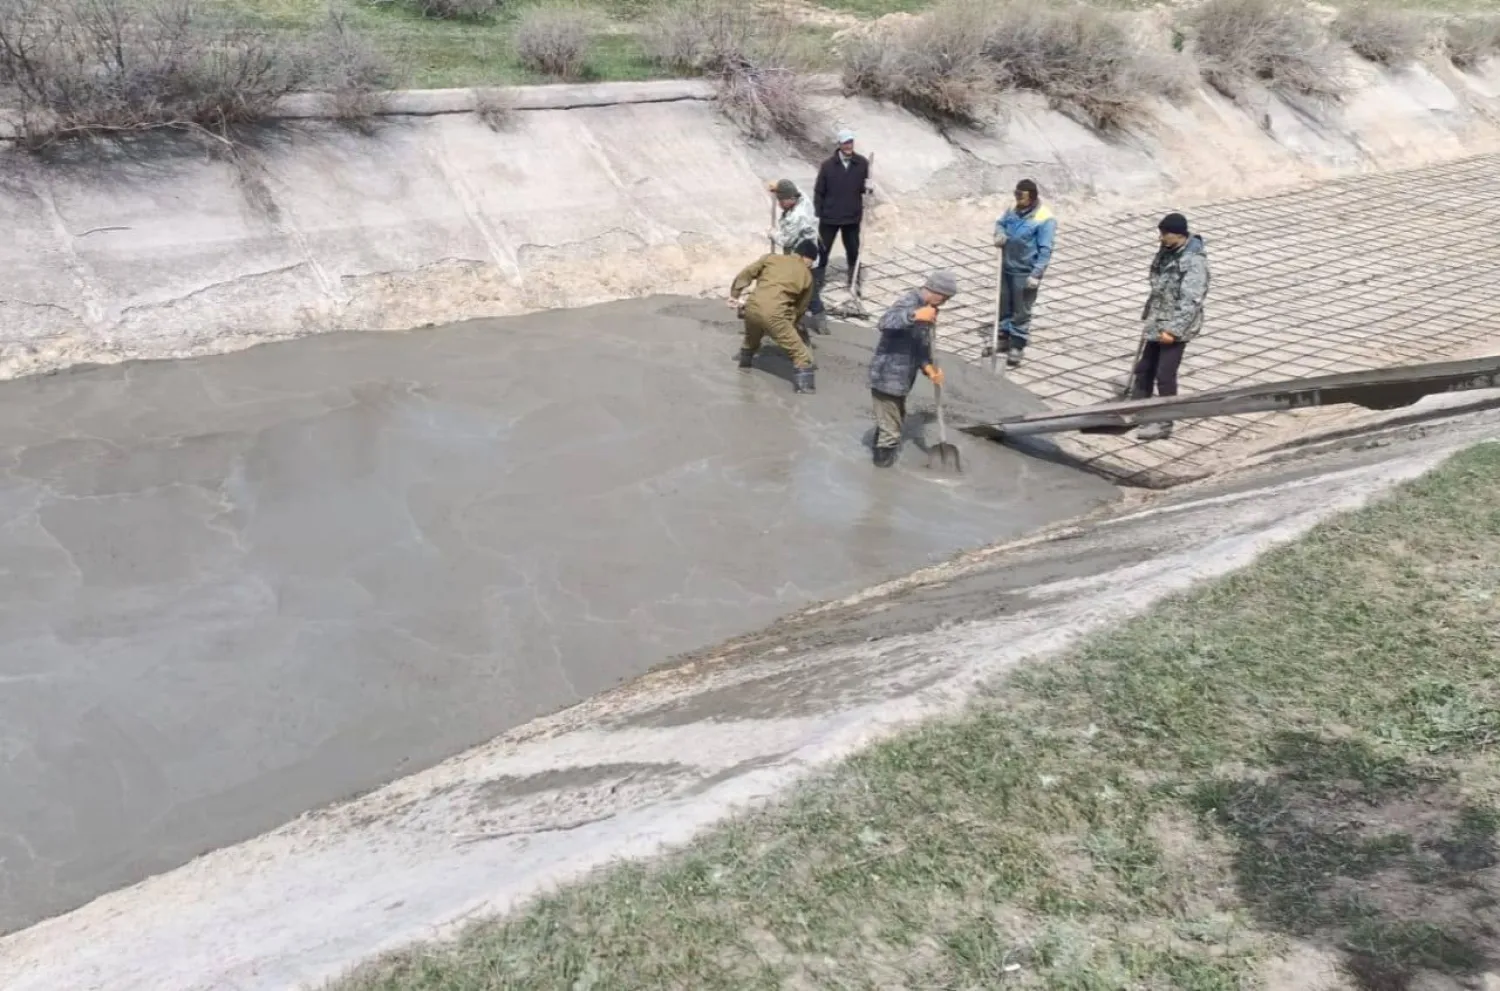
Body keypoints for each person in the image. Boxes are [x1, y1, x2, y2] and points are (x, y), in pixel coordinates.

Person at [868, 271, 959, 467]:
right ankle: (882, 471)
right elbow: (884, 322)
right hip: (887, 374)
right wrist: (913, 316)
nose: (945, 303)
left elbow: (920, 345)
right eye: (945, 298)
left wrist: (928, 368)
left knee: (893, 419)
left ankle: (880, 448)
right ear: (936, 291)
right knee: (891, 429)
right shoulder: (909, 302)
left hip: (903, 378)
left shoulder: (929, 309)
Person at [1132, 212, 1210, 441]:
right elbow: (1157, 282)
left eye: (1165, 234)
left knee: (1165, 374)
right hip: (1158, 319)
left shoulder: (1194, 262)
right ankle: (1139, 410)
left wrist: (1173, 330)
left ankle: (1164, 422)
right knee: (1144, 368)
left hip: (1176, 327)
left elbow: (1191, 300)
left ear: (1179, 234)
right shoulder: (1167, 253)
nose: (1161, 238)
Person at [729, 239, 821, 394]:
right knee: (801, 355)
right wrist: (791, 324)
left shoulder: (770, 258)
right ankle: (805, 389)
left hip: (751, 308)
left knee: (751, 340)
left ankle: (744, 365)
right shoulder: (807, 275)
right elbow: (800, 307)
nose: (811, 266)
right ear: (807, 258)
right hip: (774, 314)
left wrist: (734, 294)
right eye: (811, 262)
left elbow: (746, 274)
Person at [989, 178, 1057, 368]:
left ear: (1032, 197)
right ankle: (1003, 335)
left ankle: (1017, 344)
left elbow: (1045, 249)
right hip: (1007, 266)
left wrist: (1036, 274)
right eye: (1016, 195)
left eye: (1022, 196)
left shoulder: (1045, 219)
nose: (1018, 200)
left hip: (1025, 271)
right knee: (1004, 304)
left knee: (1022, 309)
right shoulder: (1013, 208)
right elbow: (1001, 223)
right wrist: (999, 233)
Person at [813, 129, 871, 293]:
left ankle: (854, 282)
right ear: (839, 144)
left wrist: (868, 188)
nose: (848, 146)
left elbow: (863, 188)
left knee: (853, 249)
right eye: (845, 142)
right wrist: (819, 212)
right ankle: (817, 281)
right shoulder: (828, 166)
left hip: (851, 216)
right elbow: (819, 191)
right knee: (822, 250)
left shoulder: (862, 163)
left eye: (850, 142)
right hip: (830, 216)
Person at [767, 178, 826, 334]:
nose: (779, 204)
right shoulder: (801, 197)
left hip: (804, 254)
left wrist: (773, 234)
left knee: (807, 289)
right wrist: (778, 186)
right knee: (800, 287)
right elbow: (792, 187)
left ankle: (817, 320)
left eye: (781, 201)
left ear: (789, 200)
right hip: (804, 250)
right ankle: (793, 318)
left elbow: (787, 240)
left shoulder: (797, 216)